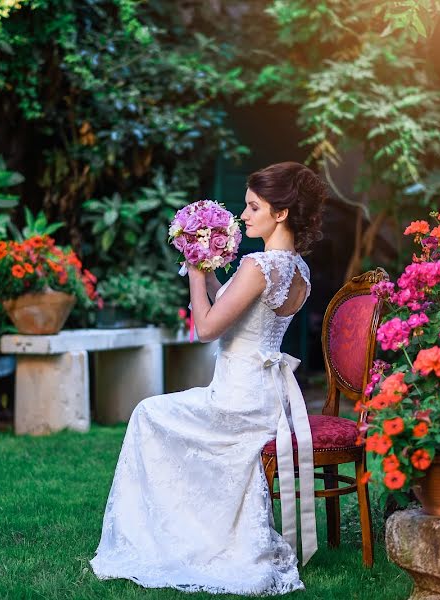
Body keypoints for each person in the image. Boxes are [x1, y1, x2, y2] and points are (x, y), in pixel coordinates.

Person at [90, 162, 327, 595]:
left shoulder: (258, 265)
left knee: (147, 413)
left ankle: (167, 535)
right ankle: (189, 523)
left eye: (254, 207)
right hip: (267, 398)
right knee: (159, 415)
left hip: (238, 399)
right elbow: (236, 308)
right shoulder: (297, 269)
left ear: (281, 214)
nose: (244, 215)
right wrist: (211, 267)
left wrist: (196, 275)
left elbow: (208, 328)